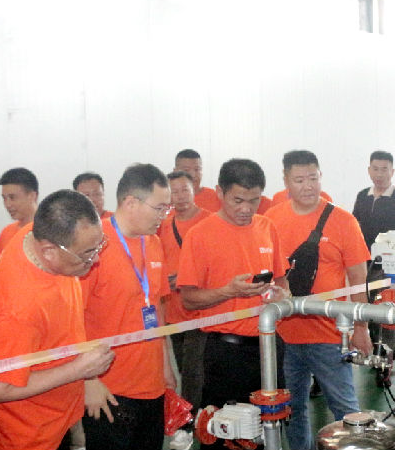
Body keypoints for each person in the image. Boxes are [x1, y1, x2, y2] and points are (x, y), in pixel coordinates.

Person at [0, 190, 115, 450]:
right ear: (49, 251)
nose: (96, 259)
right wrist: (79, 370)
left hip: (58, 415)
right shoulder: (20, 308)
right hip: (30, 435)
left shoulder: (38, 235)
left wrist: (87, 379)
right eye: (87, 253)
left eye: (99, 246)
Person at [178, 158, 290, 450]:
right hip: (224, 354)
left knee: (267, 429)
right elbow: (188, 298)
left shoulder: (267, 227)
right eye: (238, 200)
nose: (246, 209)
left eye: (254, 201)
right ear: (220, 192)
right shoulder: (199, 235)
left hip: (268, 348)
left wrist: (282, 296)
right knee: (223, 433)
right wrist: (229, 291)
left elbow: (281, 280)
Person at [264, 150, 372, 450]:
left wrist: (361, 328)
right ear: (286, 180)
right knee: (291, 411)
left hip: (330, 335)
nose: (308, 186)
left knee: (346, 411)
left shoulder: (343, 221)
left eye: (313, 178)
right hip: (283, 335)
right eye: (299, 180)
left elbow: (358, 279)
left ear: (321, 176)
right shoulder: (271, 220)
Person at [79, 164, 176, 450]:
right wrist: (88, 380)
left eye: (167, 208)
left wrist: (166, 367)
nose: (164, 216)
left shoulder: (154, 243)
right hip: (109, 390)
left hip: (152, 385)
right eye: (159, 208)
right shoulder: (93, 245)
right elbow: (71, 319)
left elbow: (156, 307)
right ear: (131, 202)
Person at [158, 170, 212, 412]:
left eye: (184, 190)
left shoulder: (210, 222)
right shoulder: (163, 224)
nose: (180, 196)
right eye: (174, 192)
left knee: (193, 372)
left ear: (194, 190)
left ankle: (191, 418)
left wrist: (185, 278)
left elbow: (217, 266)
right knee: (184, 369)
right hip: (173, 311)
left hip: (200, 311)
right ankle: (196, 414)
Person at [352, 150, 395, 248]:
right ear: (369, 170)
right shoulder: (362, 196)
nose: (379, 174)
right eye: (375, 169)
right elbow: (356, 227)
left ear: (392, 172)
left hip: (392, 255)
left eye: (384, 169)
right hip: (365, 254)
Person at [0, 167, 38, 264]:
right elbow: (1, 270)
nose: (8, 204)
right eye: (4, 198)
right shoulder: (6, 233)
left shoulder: (50, 231)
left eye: (12, 197)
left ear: (32, 196)